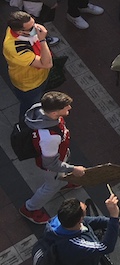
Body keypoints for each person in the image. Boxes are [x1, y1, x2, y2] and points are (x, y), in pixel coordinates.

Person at [19, 91, 87, 225]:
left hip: (59, 156)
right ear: (55, 113)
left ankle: (64, 182)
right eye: (66, 107)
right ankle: (30, 209)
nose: (70, 108)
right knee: (51, 186)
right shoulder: (49, 137)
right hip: (52, 167)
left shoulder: (43, 110)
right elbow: (51, 164)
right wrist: (74, 169)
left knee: (59, 177)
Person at [3, 12, 52, 122]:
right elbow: (47, 64)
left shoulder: (19, 30)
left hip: (40, 76)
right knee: (29, 108)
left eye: (34, 23)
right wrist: (42, 40)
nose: (36, 27)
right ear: (20, 32)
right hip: (29, 84)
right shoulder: (16, 48)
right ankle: (25, 126)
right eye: (31, 27)